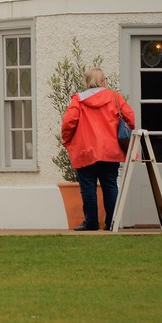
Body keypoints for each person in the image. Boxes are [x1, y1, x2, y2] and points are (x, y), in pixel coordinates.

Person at [61, 68, 136, 231]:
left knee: (87, 187)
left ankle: (91, 222)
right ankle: (112, 223)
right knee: (110, 185)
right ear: (102, 81)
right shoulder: (115, 97)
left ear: (87, 82)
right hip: (111, 150)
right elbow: (130, 117)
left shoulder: (79, 100)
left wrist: (67, 140)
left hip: (85, 150)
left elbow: (68, 122)